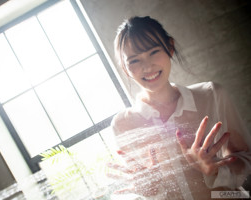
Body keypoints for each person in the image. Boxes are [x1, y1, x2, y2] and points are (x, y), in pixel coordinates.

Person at [107, 16, 251, 200]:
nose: (147, 66)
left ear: (170, 47)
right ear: (125, 68)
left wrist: (215, 169)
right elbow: (136, 189)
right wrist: (146, 191)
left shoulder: (211, 94)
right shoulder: (123, 125)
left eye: (153, 52)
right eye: (134, 60)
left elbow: (246, 159)